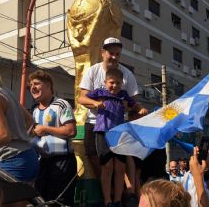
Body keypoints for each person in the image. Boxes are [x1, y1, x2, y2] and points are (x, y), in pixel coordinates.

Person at [78, 37, 146, 178]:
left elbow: (133, 101)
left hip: (118, 124)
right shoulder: (93, 71)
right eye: (111, 53)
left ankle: (125, 192)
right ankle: (107, 191)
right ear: (103, 52)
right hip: (94, 122)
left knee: (121, 159)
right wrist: (97, 104)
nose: (114, 57)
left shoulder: (127, 74)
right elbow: (82, 97)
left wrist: (129, 108)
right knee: (93, 156)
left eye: (117, 54)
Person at [79, 68, 147, 207]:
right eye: (111, 82)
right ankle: (107, 200)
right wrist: (95, 103)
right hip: (103, 132)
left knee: (121, 167)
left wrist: (140, 109)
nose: (114, 86)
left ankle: (117, 200)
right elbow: (81, 98)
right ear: (105, 82)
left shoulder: (123, 95)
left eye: (118, 83)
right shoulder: (100, 92)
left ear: (122, 84)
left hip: (118, 133)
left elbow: (135, 104)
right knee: (107, 166)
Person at [28, 70, 77, 206]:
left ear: (49, 86)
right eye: (31, 84)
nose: (33, 87)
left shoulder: (61, 104)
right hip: (43, 162)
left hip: (62, 161)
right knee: (41, 200)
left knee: (60, 201)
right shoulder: (35, 110)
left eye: (37, 83)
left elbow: (71, 130)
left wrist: (45, 128)